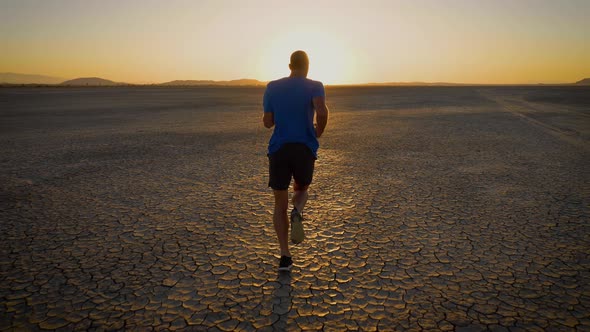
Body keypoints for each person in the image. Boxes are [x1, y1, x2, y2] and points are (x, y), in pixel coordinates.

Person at [262, 50, 329, 271]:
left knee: (279, 203)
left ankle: (284, 256)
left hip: (279, 149)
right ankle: (298, 211)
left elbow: (268, 122)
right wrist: (318, 130)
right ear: (307, 67)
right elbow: (321, 109)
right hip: (304, 148)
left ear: (290, 66)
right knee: (301, 190)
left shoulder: (272, 87)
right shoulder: (315, 85)